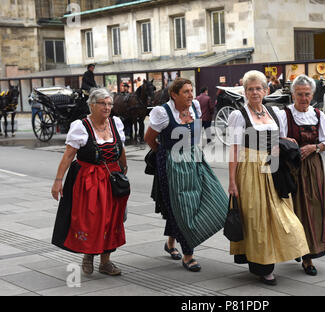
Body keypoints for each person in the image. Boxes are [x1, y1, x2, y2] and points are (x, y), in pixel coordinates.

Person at [228, 70, 310, 286]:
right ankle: (263, 267)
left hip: (274, 168)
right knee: (257, 218)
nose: (255, 92)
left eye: (258, 88)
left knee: (282, 215)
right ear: (244, 92)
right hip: (250, 170)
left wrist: (285, 140)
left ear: (266, 90)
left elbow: (276, 138)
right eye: (250, 89)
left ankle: (287, 248)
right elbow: (234, 150)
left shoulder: (273, 113)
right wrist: (232, 182)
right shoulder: (238, 115)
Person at [145, 77, 228, 272]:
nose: (191, 94)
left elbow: (196, 135)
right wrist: (166, 155)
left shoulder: (196, 107)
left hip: (195, 157)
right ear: (174, 95)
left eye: (191, 90)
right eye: (186, 92)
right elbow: (149, 139)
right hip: (171, 163)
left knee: (218, 199)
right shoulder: (163, 113)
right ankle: (188, 254)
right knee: (182, 206)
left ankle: (170, 243)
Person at [51, 88, 129, 276]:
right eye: (103, 103)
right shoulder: (81, 126)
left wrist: (124, 170)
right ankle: (88, 256)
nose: (107, 107)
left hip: (112, 178)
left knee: (112, 220)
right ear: (92, 104)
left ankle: (106, 262)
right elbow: (68, 156)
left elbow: (121, 149)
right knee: (92, 220)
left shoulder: (115, 123)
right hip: (89, 181)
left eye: (110, 103)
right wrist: (58, 180)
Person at [278, 75, 325, 276]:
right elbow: (277, 139)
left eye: (307, 94)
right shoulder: (284, 115)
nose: (304, 98)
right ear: (293, 94)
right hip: (291, 168)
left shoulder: (318, 114)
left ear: (312, 95)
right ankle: (295, 248)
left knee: (313, 209)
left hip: (312, 168)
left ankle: (308, 256)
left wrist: (315, 147)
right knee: (293, 211)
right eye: (300, 94)